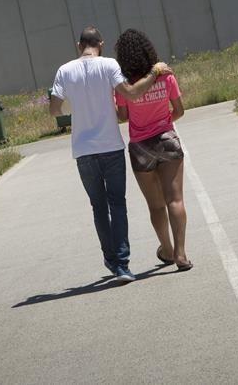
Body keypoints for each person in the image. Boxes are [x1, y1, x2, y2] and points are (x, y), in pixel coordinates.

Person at [49, 26, 170, 283]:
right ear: (100, 44)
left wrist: (76, 105)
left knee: (99, 208)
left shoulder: (64, 70)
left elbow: (54, 109)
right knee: (118, 205)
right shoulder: (109, 65)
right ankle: (123, 264)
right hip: (111, 146)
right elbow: (132, 93)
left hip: (83, 150)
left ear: (78, 45)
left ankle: (111, 259)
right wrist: (154, 72)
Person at [113, 29, 192, 271]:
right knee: (175, 199)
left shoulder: (126, 86)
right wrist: (165, 121)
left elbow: (123, 117)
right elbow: (179, 110)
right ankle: (181, 254)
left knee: (156, 205)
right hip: (167, 138)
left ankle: (166, 249)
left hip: (140, 147)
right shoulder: (166, 77)